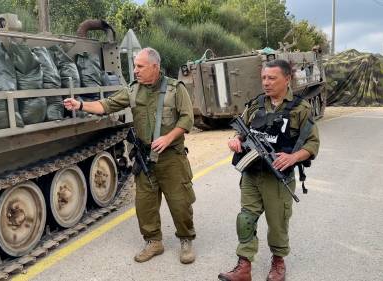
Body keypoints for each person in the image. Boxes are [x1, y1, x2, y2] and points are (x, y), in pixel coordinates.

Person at [63, 47, 196, 264]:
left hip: (172, 157)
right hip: (145, 159)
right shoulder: (133, 90)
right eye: (135, 66)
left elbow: (187, 119)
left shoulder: (175, 89)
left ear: (155, 67)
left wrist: (168, 138)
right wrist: (80, 105)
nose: (135, 70)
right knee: (145, 204)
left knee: (180, 202)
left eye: (140, 66)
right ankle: (154, 241)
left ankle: (186, 239)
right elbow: (106, 105)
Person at [218, 59, 320, 281]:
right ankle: (244, 266)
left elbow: (312, 144)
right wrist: (235, 141)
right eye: (264, 78)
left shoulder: (300, 108)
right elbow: (240, 132)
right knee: (245, 218)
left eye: (272, 78)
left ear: (287, 79)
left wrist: (294, 156)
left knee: (277, 224)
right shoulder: (256, 105)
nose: (266, 82)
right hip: (252, 174)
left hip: (278, 177)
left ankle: (278, 262)